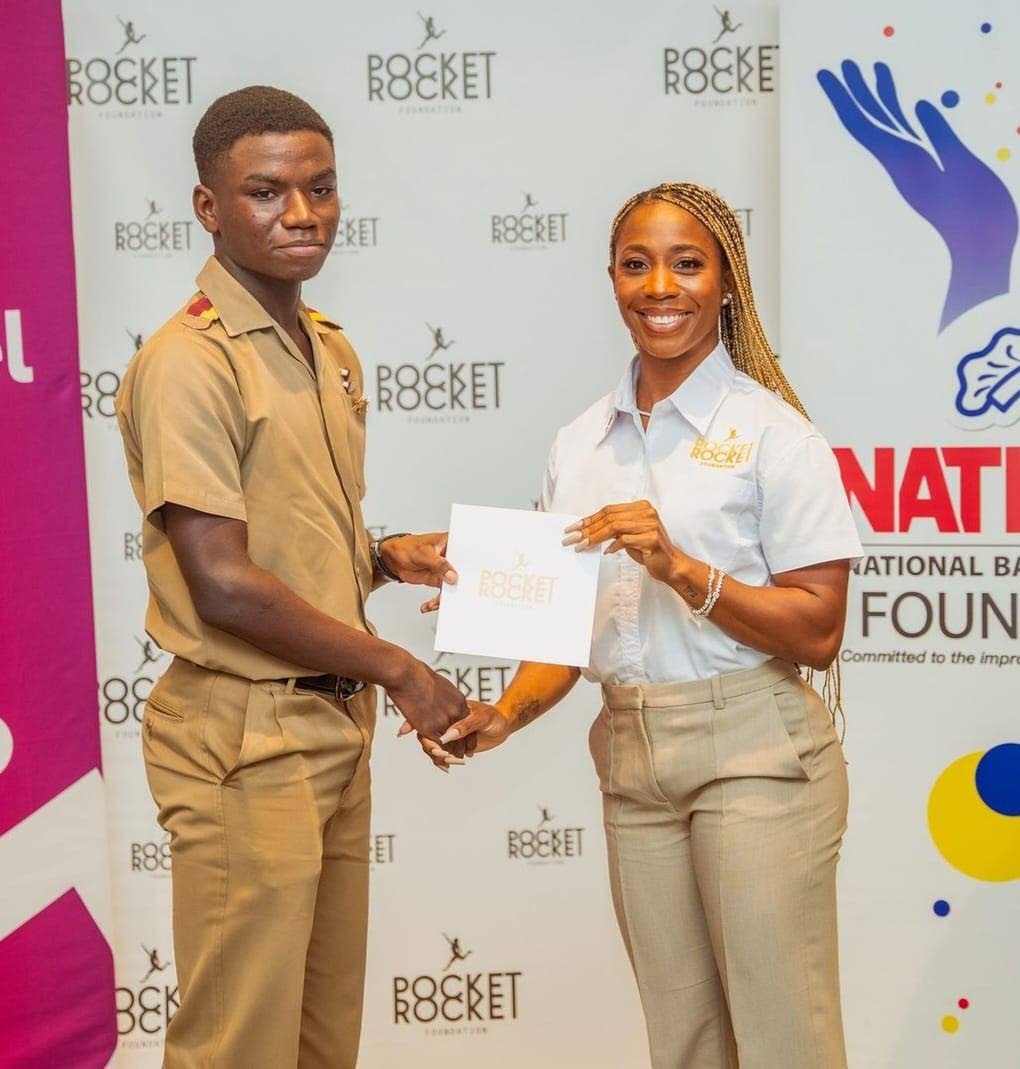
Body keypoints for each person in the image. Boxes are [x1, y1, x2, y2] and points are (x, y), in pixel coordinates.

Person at [419, 183, 861, 1068]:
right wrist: (502, 715)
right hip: (631, 756)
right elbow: (564, 630)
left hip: (756, 752)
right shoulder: (579, 443)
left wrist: (681, 568)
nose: (661, 285)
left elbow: (818, 631)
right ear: (613, 279)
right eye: (636, 263)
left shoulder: (776, 436)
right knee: (684, 1045)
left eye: (687, 263)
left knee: (782, 1043)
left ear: (726, 282)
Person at [115, 85, 474, 1069]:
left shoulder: (330, 350)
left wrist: (380, 555)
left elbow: (285, 535)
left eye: (320, 189)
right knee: (240, 1045)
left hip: (326, 722)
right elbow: (223, 583)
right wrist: (400, 668)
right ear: (208, 207)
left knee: (321, 1042)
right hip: (242, 733)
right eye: (268, 192)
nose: (303, 214)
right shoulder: (188, 361)